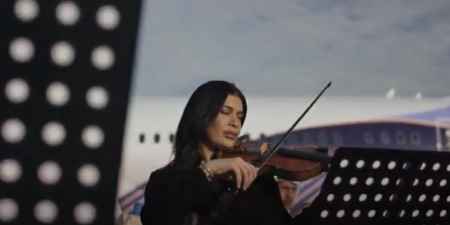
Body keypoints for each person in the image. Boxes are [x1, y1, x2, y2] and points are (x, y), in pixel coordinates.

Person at [140, 80, 313, 225]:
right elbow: (158, 218)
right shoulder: (166, 180)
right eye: (226, 112)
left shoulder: (256, 180)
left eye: (240, 116)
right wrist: (208, 170)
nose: (235, 123)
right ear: (201, 114)